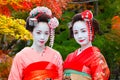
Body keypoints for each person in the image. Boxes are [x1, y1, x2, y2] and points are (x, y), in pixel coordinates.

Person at [8, 6, 63, 80]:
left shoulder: (56, 56)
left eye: (46, 33)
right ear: (31, 32)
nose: (42, 37)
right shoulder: (21, 56)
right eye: (38, 32)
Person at [63, 10, 110, 80]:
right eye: (76, 32)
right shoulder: (69, 57)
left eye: (83, 31)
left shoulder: (96, 57)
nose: (80, 36)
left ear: (91, 31)